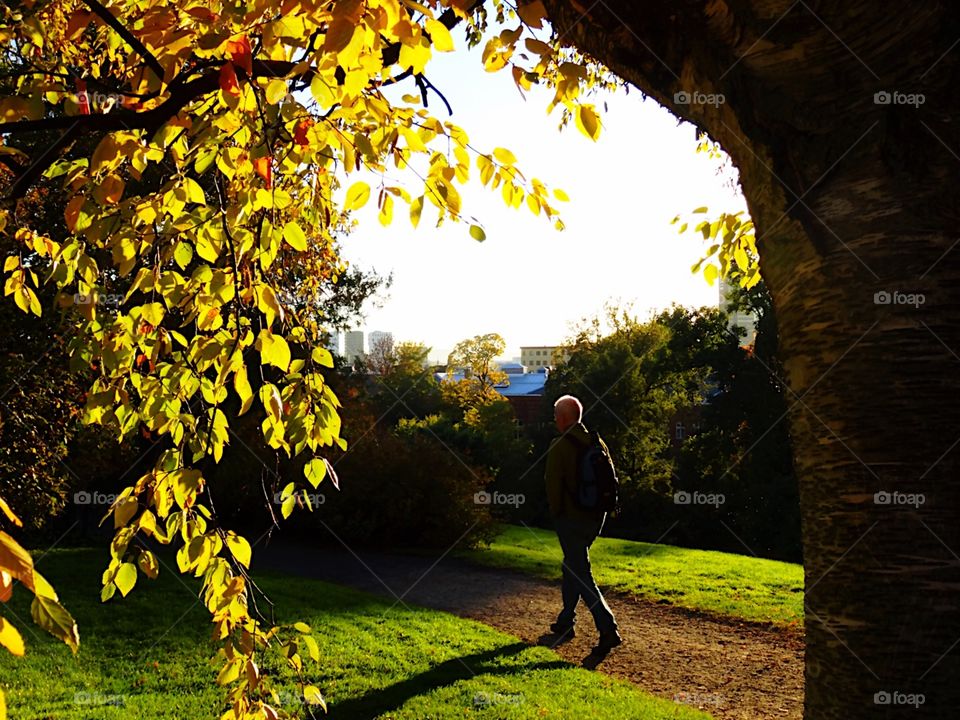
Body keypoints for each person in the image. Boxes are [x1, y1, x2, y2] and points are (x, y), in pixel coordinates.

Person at [545, 394, 622, 654]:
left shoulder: (559, 445)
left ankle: (608, 627)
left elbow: (552, 485)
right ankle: (566, 620)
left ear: (563, 418)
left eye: (556, 416)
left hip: (571, 518)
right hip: (596, 517)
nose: (555, 420)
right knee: (573, 565)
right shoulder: (597, 441)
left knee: (580, 571)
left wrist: (556, 514)